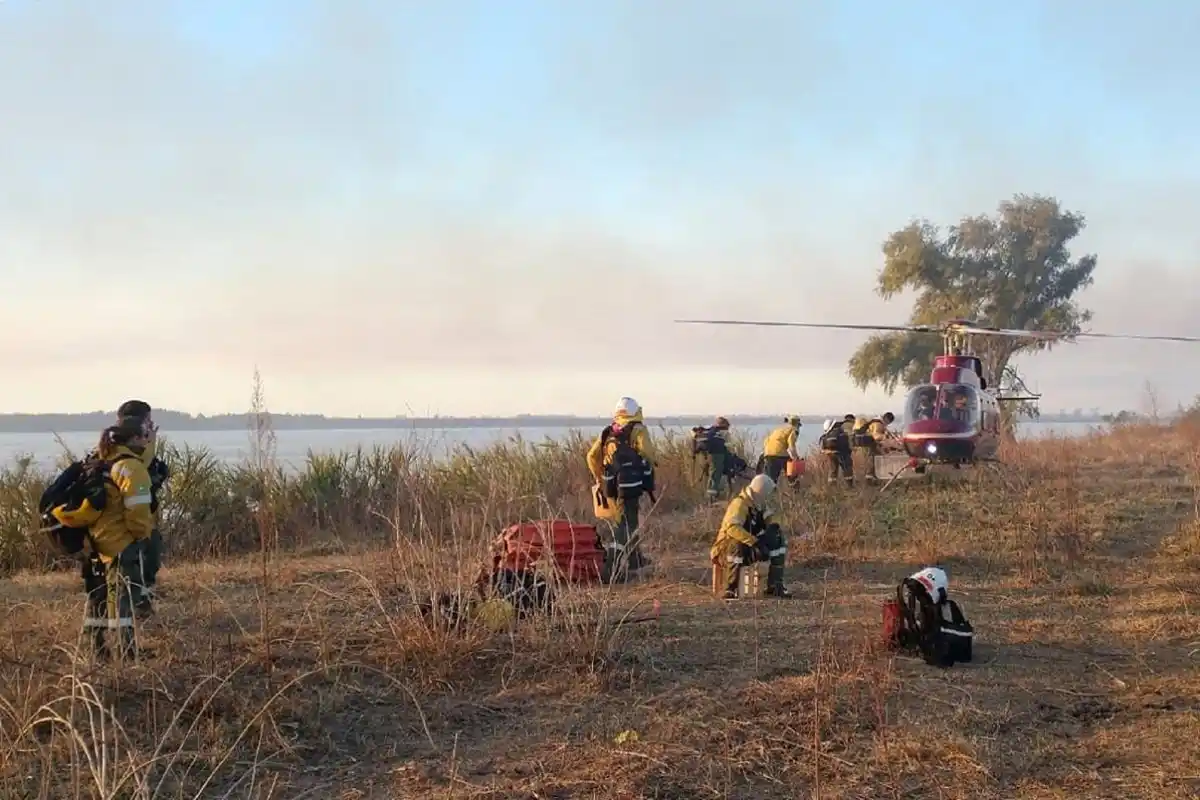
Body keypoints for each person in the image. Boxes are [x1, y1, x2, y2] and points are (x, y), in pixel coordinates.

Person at [79, 421, 156, 659]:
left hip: (95, 540)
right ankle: (127, 653)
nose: (147, 440)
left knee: (100, 595)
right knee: (123, 597)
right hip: (120, 542)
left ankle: (97, 650)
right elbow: (138, 512)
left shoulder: (100, 460)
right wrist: (142, 536)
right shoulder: (130, 467)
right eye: (144, 435)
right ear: (133, 439)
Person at [587, 397, 655, 577]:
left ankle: (635, 560)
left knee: (627, 520)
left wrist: (599, 477)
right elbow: (648, 453)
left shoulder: (608, 431)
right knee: (624, 524)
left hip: (611, 484)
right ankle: (611, 565)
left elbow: (591, 456)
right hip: (631, 485)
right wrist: (646, 468)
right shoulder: (638, 430)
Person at [115, 400, 169, 608]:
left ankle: (143, 599)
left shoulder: (137, 448)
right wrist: (150, 443)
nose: (151, 424)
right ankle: (135, 607)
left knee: (151, 555)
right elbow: (137, 468)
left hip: (141, 519)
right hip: (127, 523)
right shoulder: (126, 451)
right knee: (133, 565)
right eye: (147, 420)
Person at [710, 474, 792, 599]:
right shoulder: (739, 504)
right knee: (736, 544)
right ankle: (730, 588)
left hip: (747, 548)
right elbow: (732, 529)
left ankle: (775, 585)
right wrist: (755, 542)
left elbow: (769, 520)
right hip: (724, 551)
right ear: (761, 492)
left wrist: (772, 528)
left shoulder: (758, 505)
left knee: (778, 538)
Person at [759, 415, 802, 482]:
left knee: (770, 480)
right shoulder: (794, 430)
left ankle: (769, 491)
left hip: (768, 453)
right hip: (780, 453)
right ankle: (795, 489)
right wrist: (796, 457)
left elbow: (766, 440)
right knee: (792, 474)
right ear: (797, 424)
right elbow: (791, 444)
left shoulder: (779, 429)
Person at [856, 412, 896, 482]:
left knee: (873, 460)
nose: (888, 424)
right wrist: (885, 437)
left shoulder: (876, 422)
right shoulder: (878, 424)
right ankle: (870, 478)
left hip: (869, 444)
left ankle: (872, 477)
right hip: (869, 444)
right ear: (886, 419)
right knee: (872, 460)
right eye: (889, 422)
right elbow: (876, 436)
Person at [819, 417, 853, 485]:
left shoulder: (827, 435)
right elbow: (846, 443)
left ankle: (832, 486)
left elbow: (822, 445)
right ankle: (849, 485)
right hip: (841, 453)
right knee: (847, 469)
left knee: (833, 470)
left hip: (830, 454)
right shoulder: (839, 431)